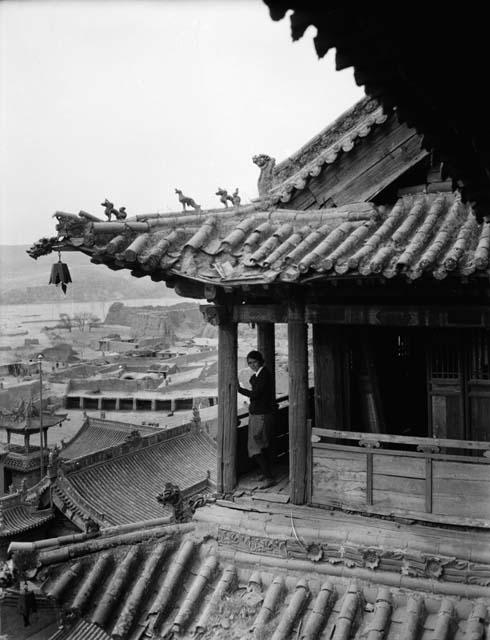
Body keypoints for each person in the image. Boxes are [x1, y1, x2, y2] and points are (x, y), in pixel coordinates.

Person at [238, 350, 276, 488]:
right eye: (249, 363)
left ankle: (269, 477)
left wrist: (239, 389)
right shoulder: (260, 375)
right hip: (259, 415)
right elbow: (255, 386)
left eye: (254, 362)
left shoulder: (264, 375)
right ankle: (266, 473)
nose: (252, 365)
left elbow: (255, 394)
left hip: (260, 416)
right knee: (261, 445)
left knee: (255, 447)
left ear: (260, 361)